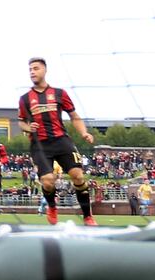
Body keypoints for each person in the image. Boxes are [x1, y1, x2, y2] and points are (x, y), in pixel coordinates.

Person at [18, 57, 97, 226]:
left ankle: (87, 216)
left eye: (36, 68)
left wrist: (84, 133)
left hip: (61, 140)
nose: (32, 72)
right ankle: (52, 207)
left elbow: (74, 116)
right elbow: (20, 122)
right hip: (40, 145)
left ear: (45, 70)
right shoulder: (25, 99)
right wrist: (27, 127)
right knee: (48, 180)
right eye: (30, 69)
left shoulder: (60, 93)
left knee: (77, 175)